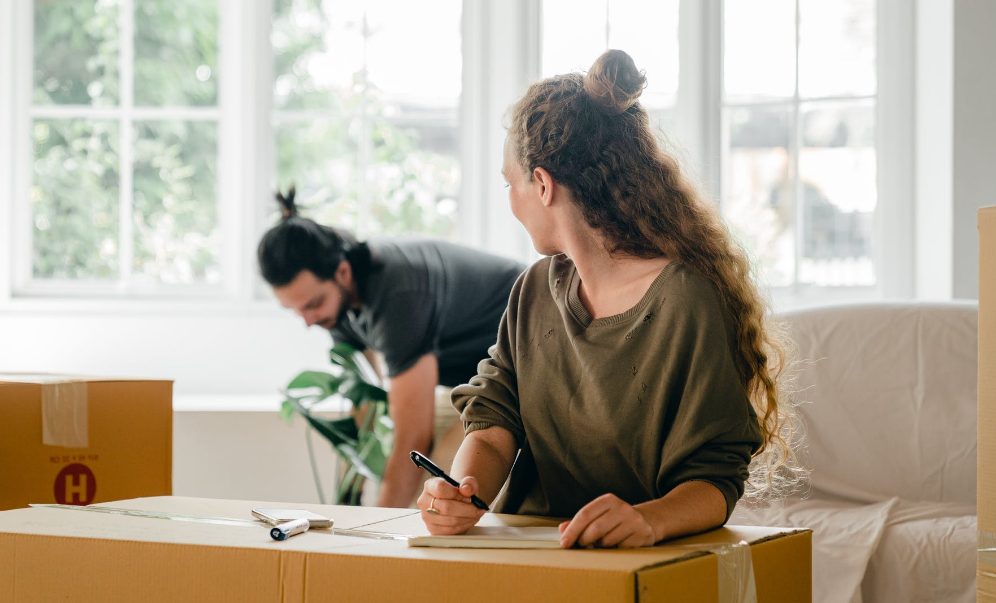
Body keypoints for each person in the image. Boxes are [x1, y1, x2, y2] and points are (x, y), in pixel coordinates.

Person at [416, 49, 793, 549]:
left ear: (544, 185)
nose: (511, 201)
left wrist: (649, 520)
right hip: (528, 558)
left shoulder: (686, 301)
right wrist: (463, 492)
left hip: (635, 562)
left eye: (511, 184)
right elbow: (492, 421)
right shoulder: (533, 290)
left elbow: (715, 481)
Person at [257, 190, 526, 507]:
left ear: (342, 272)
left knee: (440, 483)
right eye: (297, 311)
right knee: (412, 476)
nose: (308, 321)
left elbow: (413, 436)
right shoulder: (337, 306)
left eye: (312, 305)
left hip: (526, 363)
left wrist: (371, 535)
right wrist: (348, 504)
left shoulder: (397, 293)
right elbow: (367, 398)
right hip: (472, 379)